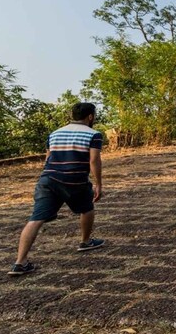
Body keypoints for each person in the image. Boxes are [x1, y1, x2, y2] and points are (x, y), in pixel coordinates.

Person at [8, 102, 106, 276]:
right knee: (87, 206)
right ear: (90, 117)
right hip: (74, 180)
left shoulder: (54, 133)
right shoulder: (94, 134)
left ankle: (20, 262)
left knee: (36, 218)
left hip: (48, 179)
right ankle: (85, 241)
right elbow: (94, 160)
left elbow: (48, 158)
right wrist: (98, 183)